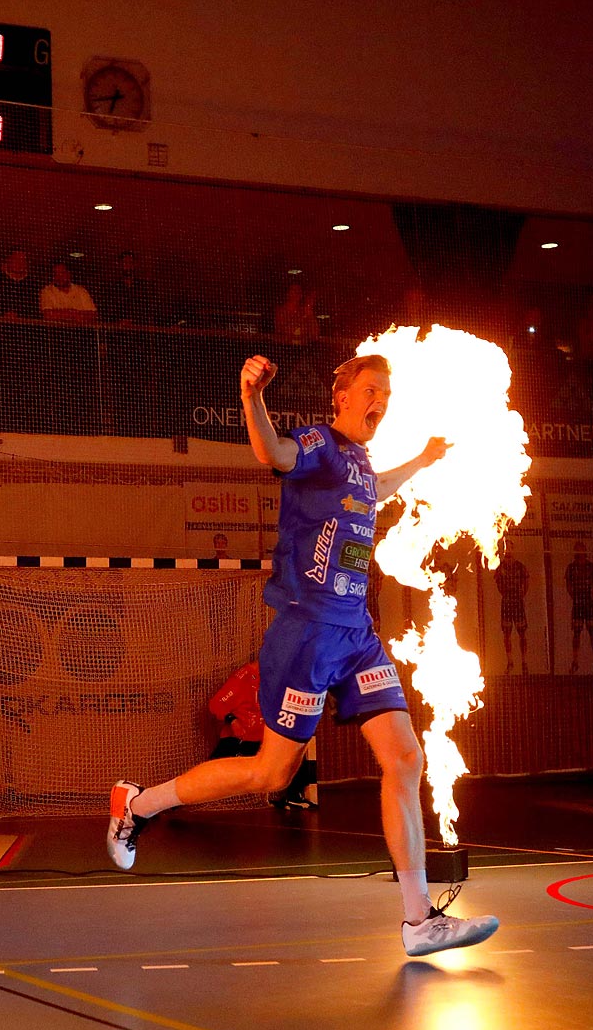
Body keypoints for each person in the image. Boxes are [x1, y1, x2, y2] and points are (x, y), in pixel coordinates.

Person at [105, 351, 498, 957]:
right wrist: (251, 398)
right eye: (371, 390)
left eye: (386, 395)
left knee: (405, 758)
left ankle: (419, 921)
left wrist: (421, 459)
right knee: (271, 774)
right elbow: (273, 454)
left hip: (356, 635)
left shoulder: (363, 464)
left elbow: (378, 487)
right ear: (340, 396)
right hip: (308, 635)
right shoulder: (317, 444)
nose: (381, 402)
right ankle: (139, 804)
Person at [564, 541, 593, 674]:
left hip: (589, 604)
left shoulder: (592, 567)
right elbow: (568, 585)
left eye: (581, 551)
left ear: (585, 552)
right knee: (577, 633)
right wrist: (574, 596)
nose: (579, 554)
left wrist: (591, 596)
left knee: (592, 633)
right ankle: (575, 662)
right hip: (577, 604)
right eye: (577, 551)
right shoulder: (571, 568)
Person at [493, 551, 530, 674]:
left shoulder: (520, 566)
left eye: (510, 548)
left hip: (518, 603)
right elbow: (498, 583)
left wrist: (521, 594)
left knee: (522, 633)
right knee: (507, 634)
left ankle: (524, 662)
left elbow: (526, 581)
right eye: (506, 548)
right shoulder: (500, 567)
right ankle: (510, 662)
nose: (508, 550)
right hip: (507, 603)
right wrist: (505, 594)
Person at [0, 249, 36, 319]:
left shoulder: (31, 285)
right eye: (16, 259)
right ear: (8, 260)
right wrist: (3, 314)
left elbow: (33, 308)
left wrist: (18, 315)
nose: (19, 263)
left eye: (22, 260)